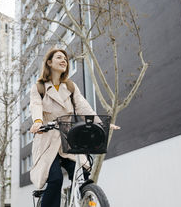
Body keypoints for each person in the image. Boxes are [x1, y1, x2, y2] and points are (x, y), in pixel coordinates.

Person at [29, 48, 119, 207]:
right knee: (55, 179)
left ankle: (80, 197)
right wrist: (37, 122)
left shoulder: (70, 87)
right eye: (59, 57)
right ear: (49, 62)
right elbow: (35, 106)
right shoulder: (39, 87)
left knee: (81, 174)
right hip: (47, 140)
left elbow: (84, 108)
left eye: (65, 58)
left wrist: (101, 123)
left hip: (68, 139)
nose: (64, 60)